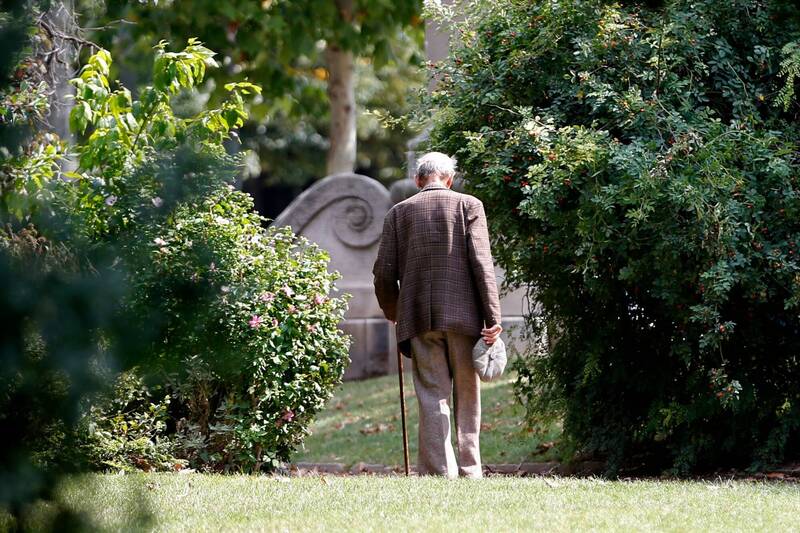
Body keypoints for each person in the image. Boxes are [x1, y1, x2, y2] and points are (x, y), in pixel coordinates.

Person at [372, 151, 502, 479]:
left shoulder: (398, 213)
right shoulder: (469, 205)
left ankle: (440, 472)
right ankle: (470, 470)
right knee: (467, 395)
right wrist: (492, 317)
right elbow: (482, 265)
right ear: (449, 179)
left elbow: (384, 274)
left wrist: (393, 310)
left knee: (432, 395)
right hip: (465, 318)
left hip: (417, 319)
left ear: (418, 180)